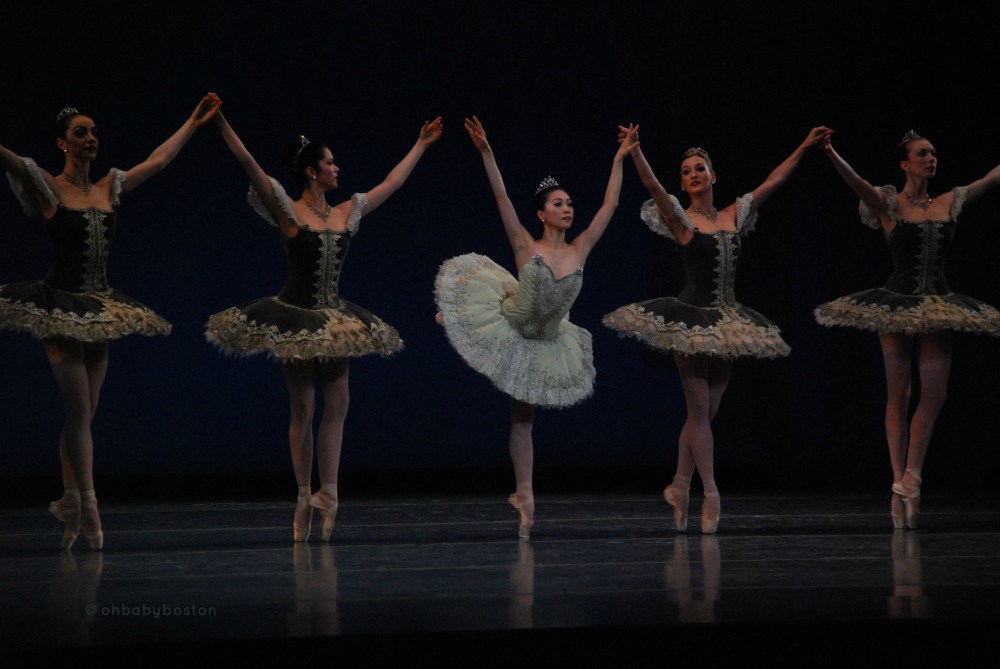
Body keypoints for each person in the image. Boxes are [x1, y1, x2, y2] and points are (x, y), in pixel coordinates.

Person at [206, 108, 442, 542]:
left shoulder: (346, 211)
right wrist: (220, 123)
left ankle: (329, 494)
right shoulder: (288, 210)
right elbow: (249, 165)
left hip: (334, 318)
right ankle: (302, 496)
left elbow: (392, 183)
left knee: (339, 403)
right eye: (330, 163)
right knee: (303, 409)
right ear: (312, 172)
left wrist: (421, 145)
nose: (338, 168)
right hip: (295, 316)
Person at [0, 94, 222, 550]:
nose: (90, 138)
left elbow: (157, 162)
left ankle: (70, 499)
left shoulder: (109, 187)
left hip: (100, 309)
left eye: (94, 131)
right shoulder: (48, 186)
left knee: (86, 412)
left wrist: (193, 122)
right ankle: (90, 506)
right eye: (80, 132)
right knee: (79, 409)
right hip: (60, 306)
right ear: (62, 143)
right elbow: (10, 160)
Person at [604, 125, 832, 533]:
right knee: (698, 411)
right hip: (690, 320)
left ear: (713, 176)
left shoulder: (733, 215)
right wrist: (635, 150)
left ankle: (679, 485)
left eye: (700, 168)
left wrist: (804, 146)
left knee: (707, 413)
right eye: (686, 171)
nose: (693, 174)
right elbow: (653, 186)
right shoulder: (682, 220)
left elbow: (773, 181)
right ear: (683, 182)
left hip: (727, 322)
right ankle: (710, 491)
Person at [434, 116, 638, 539]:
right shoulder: (525, 245)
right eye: (558, 204)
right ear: (542, 214)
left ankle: (524, 495)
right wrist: (487, 152)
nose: (568, 208)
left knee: (524, 417)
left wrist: (620, 158)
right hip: (512, 325)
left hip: (548, 339)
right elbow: (500, 195)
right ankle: (454, 318)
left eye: (569, 203)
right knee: (520, 412)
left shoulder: (581, 247)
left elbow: (611, 205)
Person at [815, 130, 1000, 529]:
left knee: (935, 393)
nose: (931, 158)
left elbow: (991, 178)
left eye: (933, 152)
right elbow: (855, 182)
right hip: (897, 304)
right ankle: (898, 481)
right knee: (899, 393)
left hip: (938, 304)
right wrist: (829, 151)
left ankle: (913, 476)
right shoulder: (889, 203)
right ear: (905, 164)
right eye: (922, 154)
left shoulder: (949, 201)